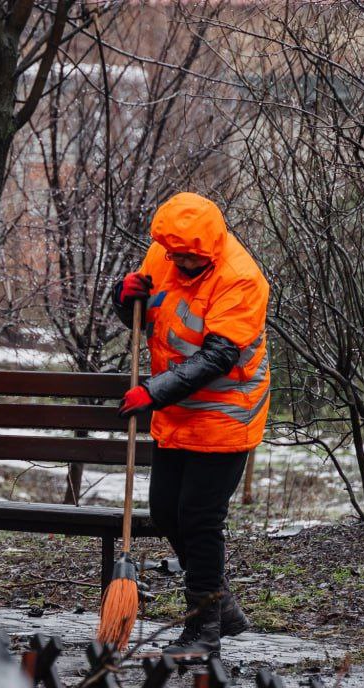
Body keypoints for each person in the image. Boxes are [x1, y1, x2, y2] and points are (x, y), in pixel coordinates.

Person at [112, 192, 270, 660]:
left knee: (200, 519)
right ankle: (224, 608)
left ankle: (203, 631)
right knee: (165, 511)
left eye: (189, 258)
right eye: (174, 254)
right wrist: (124, 300)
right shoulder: (163, 254)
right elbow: (148, 318)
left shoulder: (240, 279)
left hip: (225, 413)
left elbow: (220, 356)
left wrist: (153, 392)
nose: (179, 263)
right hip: (177, 413)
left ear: (210, 249)